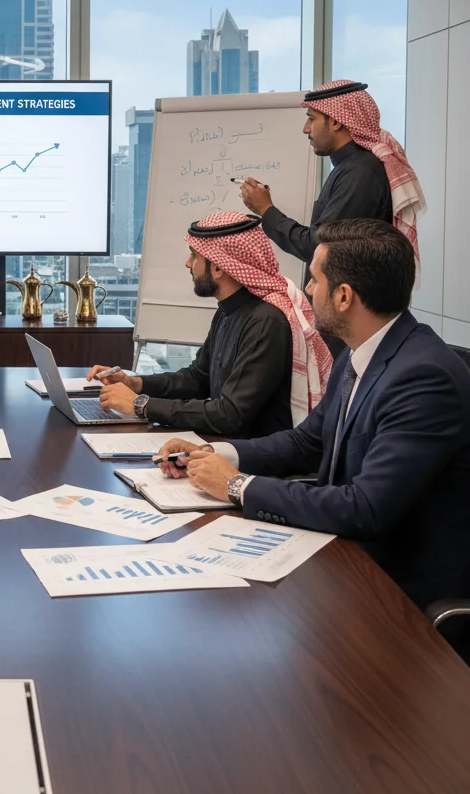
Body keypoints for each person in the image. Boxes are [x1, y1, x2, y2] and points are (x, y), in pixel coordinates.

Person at [156, 219, 470, 611]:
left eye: (314, 279)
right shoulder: (358, 352)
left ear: (343, 297)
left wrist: (237, 486)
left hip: (400, 597)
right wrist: (217, 454)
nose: (305, 289)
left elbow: (365, 508)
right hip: (343, 562)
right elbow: (307, 442)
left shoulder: (423, 378)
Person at [88, 212, 332, 437]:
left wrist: (141, 405)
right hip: (220, 445)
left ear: (217, 267)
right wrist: (136, 383)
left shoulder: (266, 322)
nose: (187, 264)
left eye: (194, 255)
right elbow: (198, 379)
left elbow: (230, 414)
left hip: (252, 462)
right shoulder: (228, 310)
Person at [240, 79, 426, 278]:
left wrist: (266, 210)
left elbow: (318, 246)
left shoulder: (360, 173)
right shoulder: (351, 167)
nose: (305, 129)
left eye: (311, 119)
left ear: (336, 121)